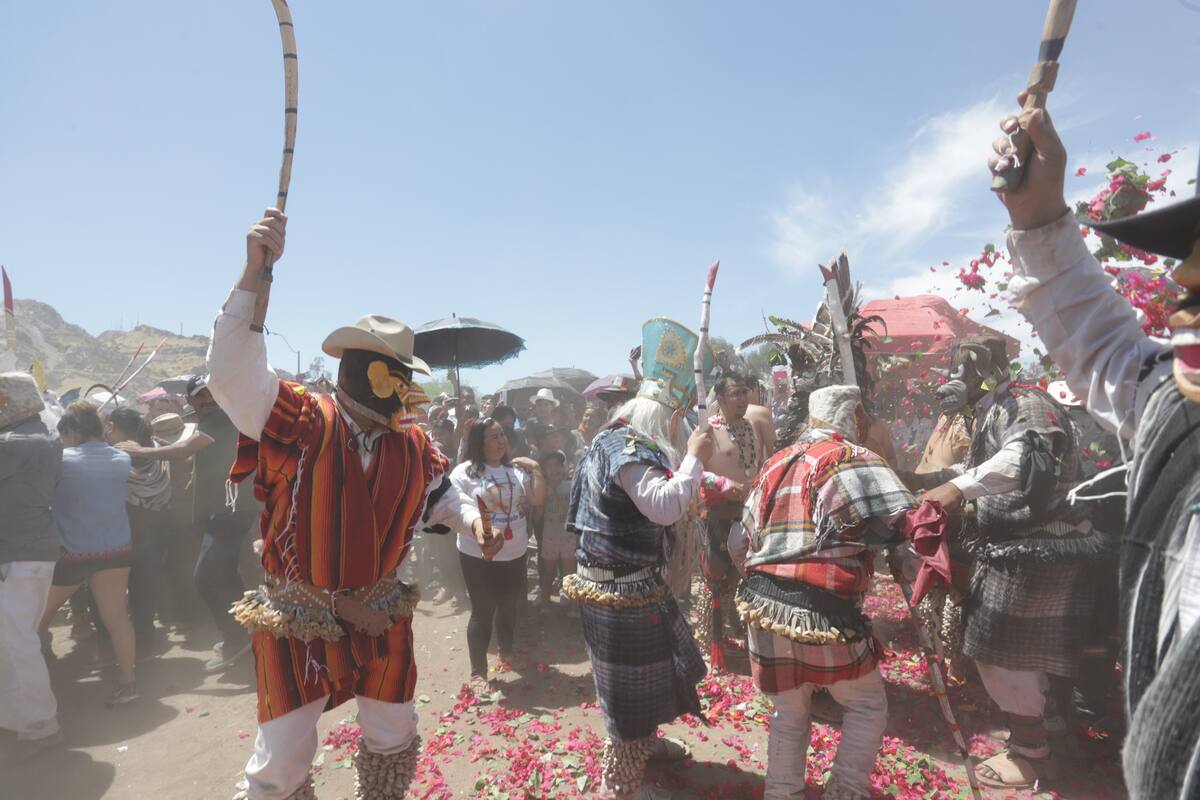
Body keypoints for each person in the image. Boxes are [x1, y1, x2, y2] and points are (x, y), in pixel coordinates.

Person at [208, 209, 485, 800]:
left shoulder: (412, 443)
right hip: (297, 614)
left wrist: (472, 517)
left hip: (382, 611)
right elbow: (232, 373)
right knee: (282, 757)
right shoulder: (299, 416)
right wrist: (253, 275)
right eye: (402, 377)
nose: (411, 392)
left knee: (393, 730)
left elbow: (442, 494)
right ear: (371, 375)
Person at [987, 98, 1200, 798]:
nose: (1182, 290)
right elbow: (1105, 347)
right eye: (1188, 268)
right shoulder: (1177, 410)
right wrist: (1039, 215)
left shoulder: (1029, 412)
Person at [727, 385, 947, 800]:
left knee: (789, 711)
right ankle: (845, 791)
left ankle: (782, 793)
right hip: (821, 610)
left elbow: (739, 541)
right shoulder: (853, 458)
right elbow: (908, 522)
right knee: (865, 706)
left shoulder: (775, 461)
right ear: (856, 418)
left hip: (761, 603)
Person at [915, 334, 1100, 790]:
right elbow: (989, 465)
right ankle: (1049, 735)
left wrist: (959, 490)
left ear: (991, 371)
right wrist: (927, 481)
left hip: (1036, 548)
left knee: (1001, 651)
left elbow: (1022, 460)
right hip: (1021, 547)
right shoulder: (994, 408)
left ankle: (1031, 753)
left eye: (965, 371)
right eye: (953, 370)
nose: (954, 381)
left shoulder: (1026, 404)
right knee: (1024, 653)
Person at [565, 317, 715, 800]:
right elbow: (665, 506)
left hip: (620, 584)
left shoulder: (606, 443)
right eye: (677, 424)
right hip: (619, 590)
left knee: (643, 683)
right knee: (630, 693)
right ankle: (623, 785)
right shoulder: (628, 445)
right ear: (662, 418)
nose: (680, 431)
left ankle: (640, 749)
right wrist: (693, 455)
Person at [117, 375, 260, 672]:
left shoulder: (221, 419)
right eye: (201, 397)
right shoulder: (209, 420)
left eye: (211, 395)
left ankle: (237, 638)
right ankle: (252, 632)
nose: (207, 401)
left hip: (230, 511)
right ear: (191, 400)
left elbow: (183, 451)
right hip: (223, 511)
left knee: (206, 575)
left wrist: (139, 451)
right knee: (225, 574)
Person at [39, 401, 138, 707]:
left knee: (36, 620)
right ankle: (128, 682)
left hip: (74, 553)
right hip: (116, 549)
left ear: (72, 431)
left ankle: (39, 685)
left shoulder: (62, 460)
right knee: (118, 618)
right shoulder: (121, 458)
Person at [449, 418, 545, 689]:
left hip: (515, 551)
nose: (502, 440)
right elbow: (456, 510)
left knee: (509, 604)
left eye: (502, 434)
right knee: (482, 610)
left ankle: (507, 651)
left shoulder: (516, 470)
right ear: (479, 442)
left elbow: (537, 500)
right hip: (478, 555)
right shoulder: (463, 473)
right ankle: (478, 672)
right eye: (494, 437)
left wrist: (536, 468)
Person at [0, 372, 64, 757]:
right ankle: (19, 717)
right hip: (31, 549)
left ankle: (41, 722)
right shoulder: (43, 435)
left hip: (18, 553)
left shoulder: (14, 443)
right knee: (13, 639)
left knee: (18, 641)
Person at [700, 371, 776, 661]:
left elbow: (761, 462)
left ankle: (747, 632)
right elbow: (692, 471)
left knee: (749, 577)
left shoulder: (753, 425)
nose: (743, 398)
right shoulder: (706, 431)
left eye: (745, 392)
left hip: (750, 514)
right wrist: (725, 485)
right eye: (735, 393)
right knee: (717, 582)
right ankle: (713, 642)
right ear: (719, 398)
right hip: (719, 515)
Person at [108, 407, 173, 645]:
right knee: (145, 583)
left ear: (114, 427)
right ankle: (145, 635)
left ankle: (116, 640)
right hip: (158, 524)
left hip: (127, 526)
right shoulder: (157, 449)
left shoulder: (115, 457)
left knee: (113, 587)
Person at [534, 450, 576, 612]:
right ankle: (545, 605)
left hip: (568, 536)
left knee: (569, 573)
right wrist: (538, 506)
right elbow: (537, 517)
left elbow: (571, 510)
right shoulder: (541, 489)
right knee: (548, 573)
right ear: (544, 470)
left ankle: (574, 607)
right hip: (549, 536)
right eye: (550, 466)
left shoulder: (570, 486)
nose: (555, 469)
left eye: (558, 465)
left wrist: (555, 494)